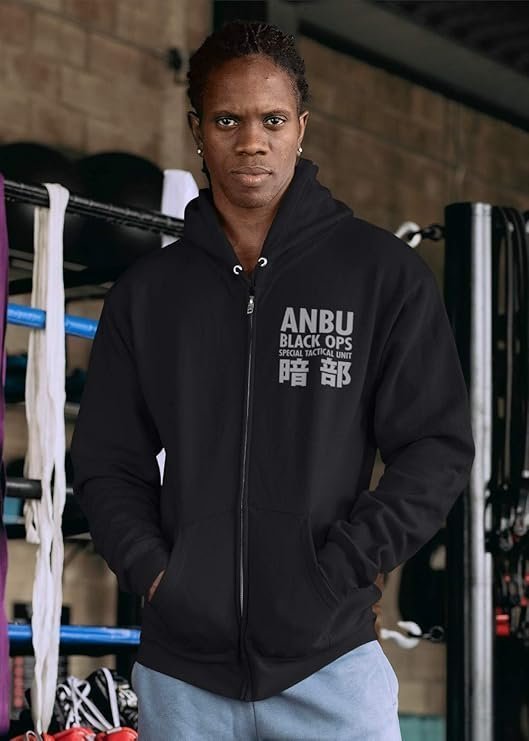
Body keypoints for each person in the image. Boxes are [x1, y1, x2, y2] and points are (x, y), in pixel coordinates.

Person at [70, 19, 475, 741]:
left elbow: (435, 448)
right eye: (227, 120)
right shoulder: (148, 294)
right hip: (183, 680)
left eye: (272, 120)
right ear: (197, 130)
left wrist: (342, 568)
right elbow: (107, 461)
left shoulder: (381, 276)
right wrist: (157, 573)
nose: (251, 141)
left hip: (331, 666)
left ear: (301, 128)